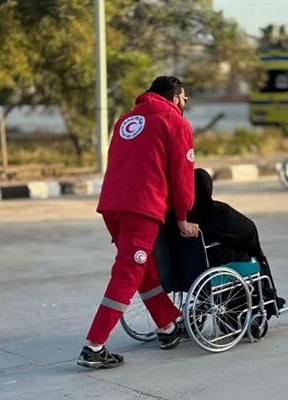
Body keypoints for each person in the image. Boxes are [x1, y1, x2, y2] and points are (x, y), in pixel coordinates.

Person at [77, 76, 199, 369]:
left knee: (143, 269)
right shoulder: (175, 123)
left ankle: (167, 326)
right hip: (141, 208)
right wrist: (182, 217)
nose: (185, 104)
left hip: (112, 206)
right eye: (184, 98)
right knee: (127, 274)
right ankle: (94, 347)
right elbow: (182, 175)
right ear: (175, 97)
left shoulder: (126, 121)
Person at [188, 168, 286, 318]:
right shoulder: (215, 211)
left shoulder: (180, 217)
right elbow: (248, 229)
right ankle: (266, 298)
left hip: (190, 270)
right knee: (253, 256)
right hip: (216, 267)